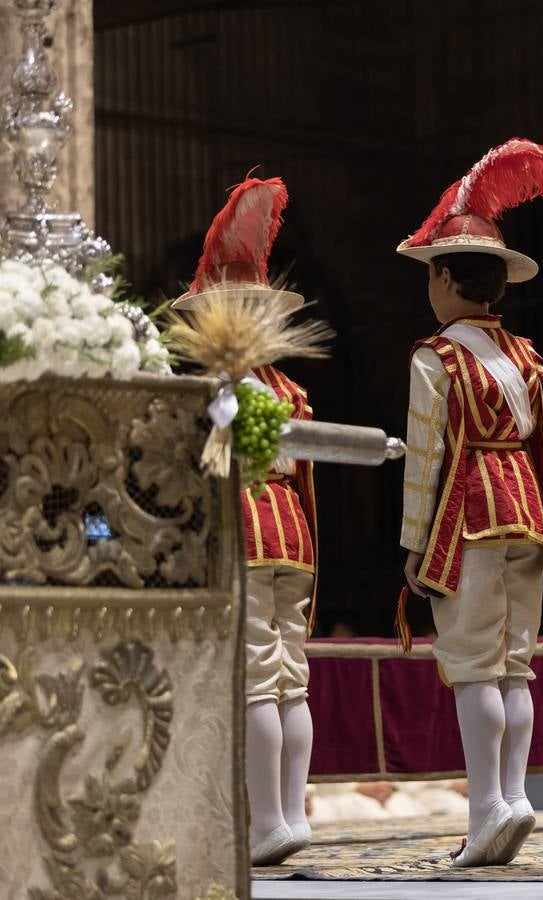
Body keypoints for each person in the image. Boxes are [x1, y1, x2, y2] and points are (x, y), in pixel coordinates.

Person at [397, 139, 543, 867]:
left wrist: (412, 544)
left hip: (466, 514)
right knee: (515, 664)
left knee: (472, 664)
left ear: (442, 278)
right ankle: (516, 795)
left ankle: (486, 808)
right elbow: (539, 447)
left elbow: (426, 459)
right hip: (526, 511)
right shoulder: (525, 355)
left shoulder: (436, 357)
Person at [173, 175, 320, 865]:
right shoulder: (291, 389)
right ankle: (289, 812)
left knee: (260, 679)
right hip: (295, 537)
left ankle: (268, 818)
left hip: (248, 534)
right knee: (292, 677)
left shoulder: (219, 390)